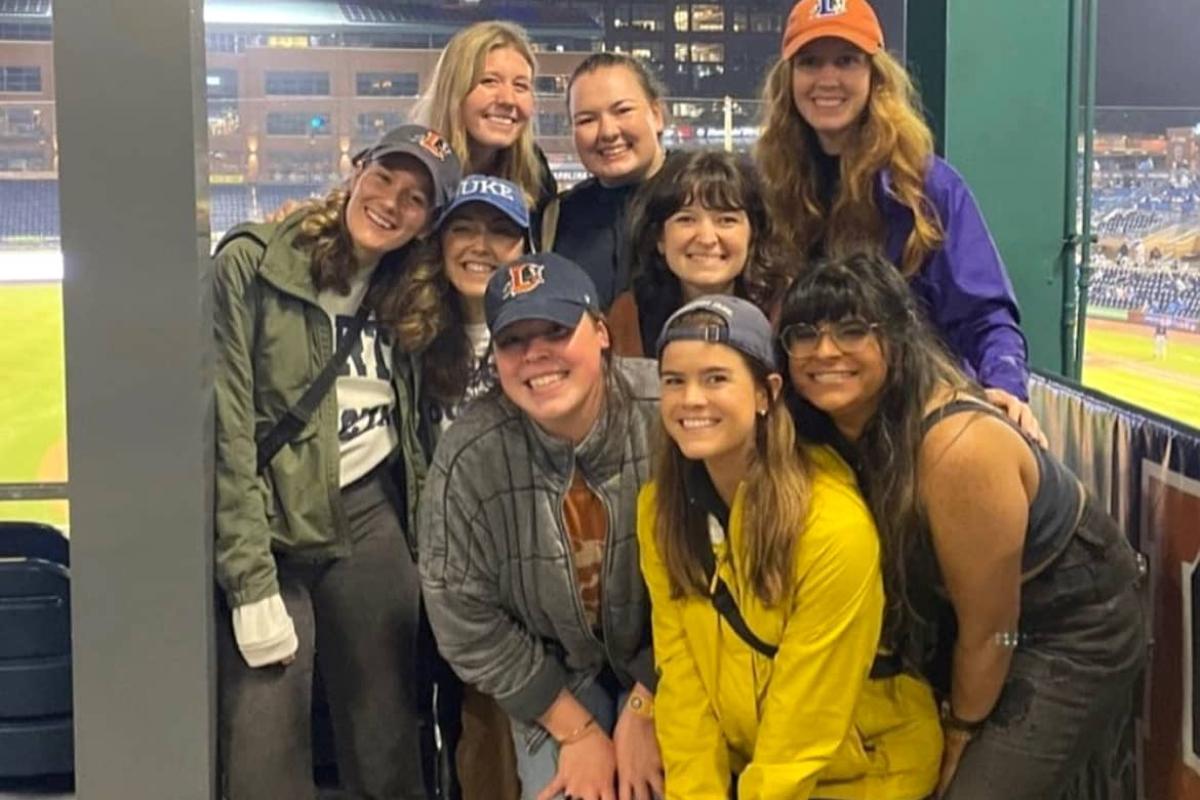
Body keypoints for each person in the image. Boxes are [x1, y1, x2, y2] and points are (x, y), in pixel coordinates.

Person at [778, 252, 1147, 799]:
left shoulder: (956, 448)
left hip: (1064, 626)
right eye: (804, 334)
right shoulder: (831, 430)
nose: (824, 350)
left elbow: (993, 628)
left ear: (898, 339)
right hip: (972, 624)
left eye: (853, 330)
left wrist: (960, 734)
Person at [213, 124, 461, 800]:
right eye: (384, 178)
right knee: (266, 746)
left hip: (369, 516)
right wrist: (248, 577)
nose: (391, 202)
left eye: (415, 198)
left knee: (388, 743)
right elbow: (229, 431)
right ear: (356, 171)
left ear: (426, 223)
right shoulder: (254, 262)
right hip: (274, 523)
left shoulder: (412, 294)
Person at [639, 295, 941, 799]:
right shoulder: (660, 511)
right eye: (674, 381)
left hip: (864, 770)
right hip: (755, 767)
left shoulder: (830, 525)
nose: (691, 399)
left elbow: (806, 721)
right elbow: (682, 682)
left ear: (765, 393)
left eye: (716, 378)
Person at [418, 253, 664, 800]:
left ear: (600, 332)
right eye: (514, 341)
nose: (535, 355)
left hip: (671, 662)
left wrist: (648, 700)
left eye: (555, 330)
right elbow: (461, 614)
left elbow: (717, 575)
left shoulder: (667, 412)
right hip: (550, 675)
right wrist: (572, 727)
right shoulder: (470, 454)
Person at [756, 0, 1039, 436]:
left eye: (846, 61)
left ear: (876, 76)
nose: (827, 79)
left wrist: (1004, 386)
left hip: (912, 420)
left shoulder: (927, 186)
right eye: (810, 62)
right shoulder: (770, 186)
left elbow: (985, 313)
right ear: (789, 79)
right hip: (809, 423)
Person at [402, 173, 532, 800]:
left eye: (501, 231)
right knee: (447, 729)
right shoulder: (407, 335)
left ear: (525, 249)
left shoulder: (541, 340)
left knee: (501, 739)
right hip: (429, 574)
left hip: (517, 582)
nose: (481, 245)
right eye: (464, 227)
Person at [610, 150, 790, 356]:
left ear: (754, 234)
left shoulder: (786, 312)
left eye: (726, 220)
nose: (707, 239)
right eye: (686, 219)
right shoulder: (629, 316)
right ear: (659, 237)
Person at [539, 52, 670, 308]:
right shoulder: (557, 219)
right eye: (587, 120)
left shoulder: (706, 195)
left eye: (622, 111)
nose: (608, 132)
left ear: (656, 115)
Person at [413, 20, 556, 213]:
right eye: (489, 81)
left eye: (520, 86)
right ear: (453, 91)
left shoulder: (535, 175)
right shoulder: (413, 170)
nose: (508, 99)